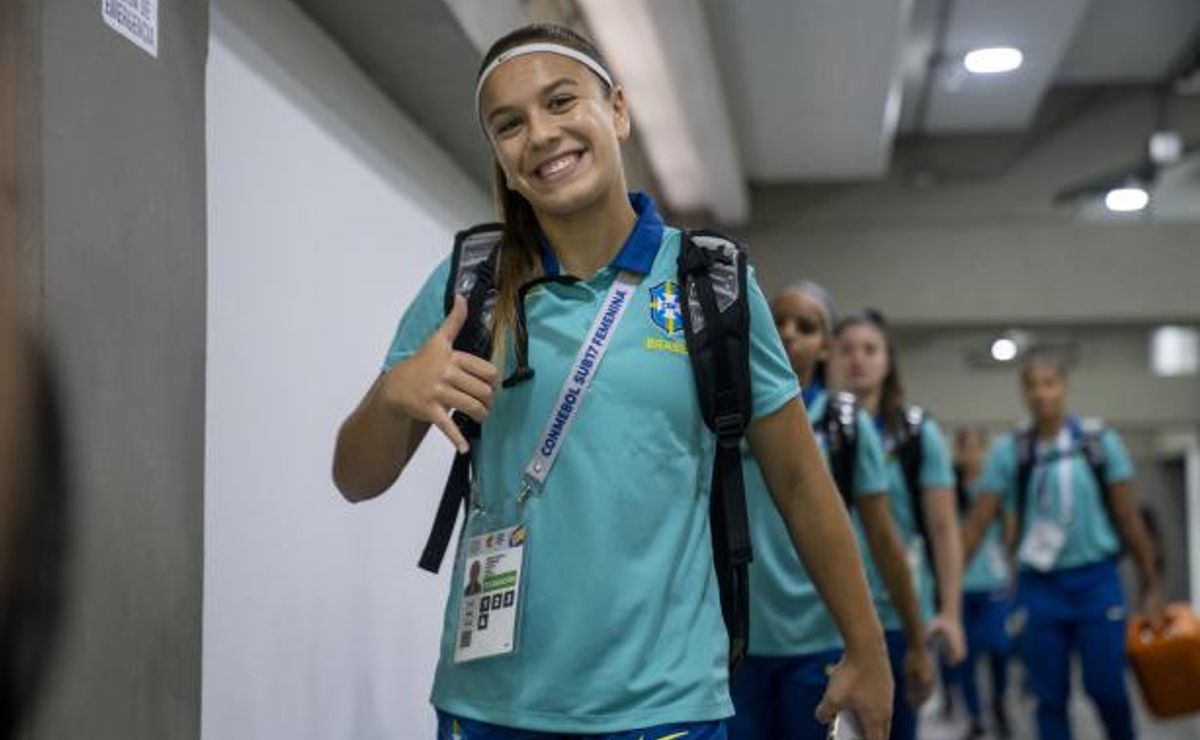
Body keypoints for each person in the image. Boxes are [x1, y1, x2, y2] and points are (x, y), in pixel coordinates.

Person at [332, 24, 892, 740]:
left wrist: (866, 645)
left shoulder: (710, 284)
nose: (539, 133)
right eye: (510, 124)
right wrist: (392, 396)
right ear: (500, 155)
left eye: (561, 102)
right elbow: (355, 477)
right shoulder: (468, 284)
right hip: (491, 706)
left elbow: (800, 482)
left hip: (666, 707)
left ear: (618, 111)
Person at [730, 282, 932, 739]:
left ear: (825, 348)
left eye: (806, 327)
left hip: (817, 647)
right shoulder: (727, 419)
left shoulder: (845, 427)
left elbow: (884, 542)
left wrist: (916, 643)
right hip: (740, 648)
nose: (788, 334)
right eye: (777, 322)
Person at [961, 351, 1163, 740]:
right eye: (1032, 386)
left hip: (1097, 581)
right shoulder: (1012, 452)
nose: (1041, 394)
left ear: (1065, 389)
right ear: (1023, 394)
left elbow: (1129, 519)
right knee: (1047, 696)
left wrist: (1151, 585)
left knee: (1107, 687)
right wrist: (947, 594)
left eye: (1049, 384)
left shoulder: (1099, 443)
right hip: (1040, 588)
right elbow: (976, 524)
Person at [831, 310, 966, 740]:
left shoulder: (915, 435)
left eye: (870, 350)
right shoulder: (816, 429)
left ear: (888, 360)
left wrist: (949, 612)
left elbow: (944, 530)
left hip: (897, 614)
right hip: (828, 614)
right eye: (847, 349)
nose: (858, 360)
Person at [943, 426, 1012, 739]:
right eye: (965, 447)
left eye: (977, 447)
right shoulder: (948, 485)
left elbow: (1010, 528)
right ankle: (974, 716)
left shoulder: (995, 487)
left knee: (999, 647)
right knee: (964, 656)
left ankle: (999, 699)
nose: (971, 455)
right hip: (961, 583)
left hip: (993, 580)